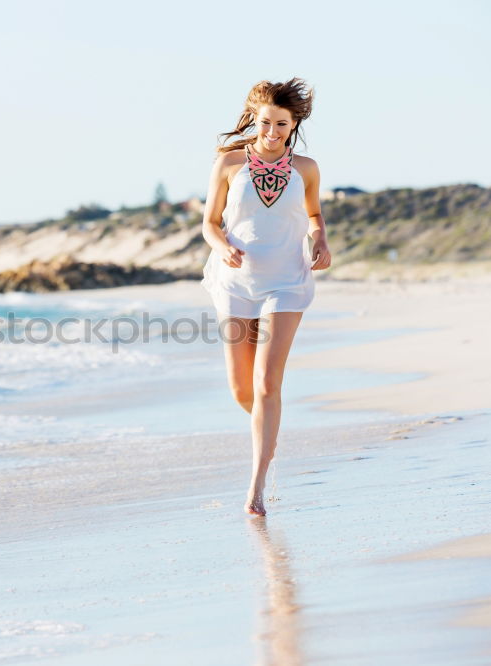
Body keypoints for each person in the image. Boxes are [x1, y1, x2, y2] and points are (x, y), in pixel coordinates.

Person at [199, 78, 332, 516]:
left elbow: (314, 214)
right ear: (254, 121)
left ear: (294, 125)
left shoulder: (307, 169)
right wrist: (223, 248)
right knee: (242, 390)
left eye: (282, 124)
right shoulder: (228, 163)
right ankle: (266, 429)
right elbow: (210, 224)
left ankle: (256, 489)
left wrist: (320, 240)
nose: (272, 132)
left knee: (267, 383)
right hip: (235, 284)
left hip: (286, 284)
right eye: (265, 123)